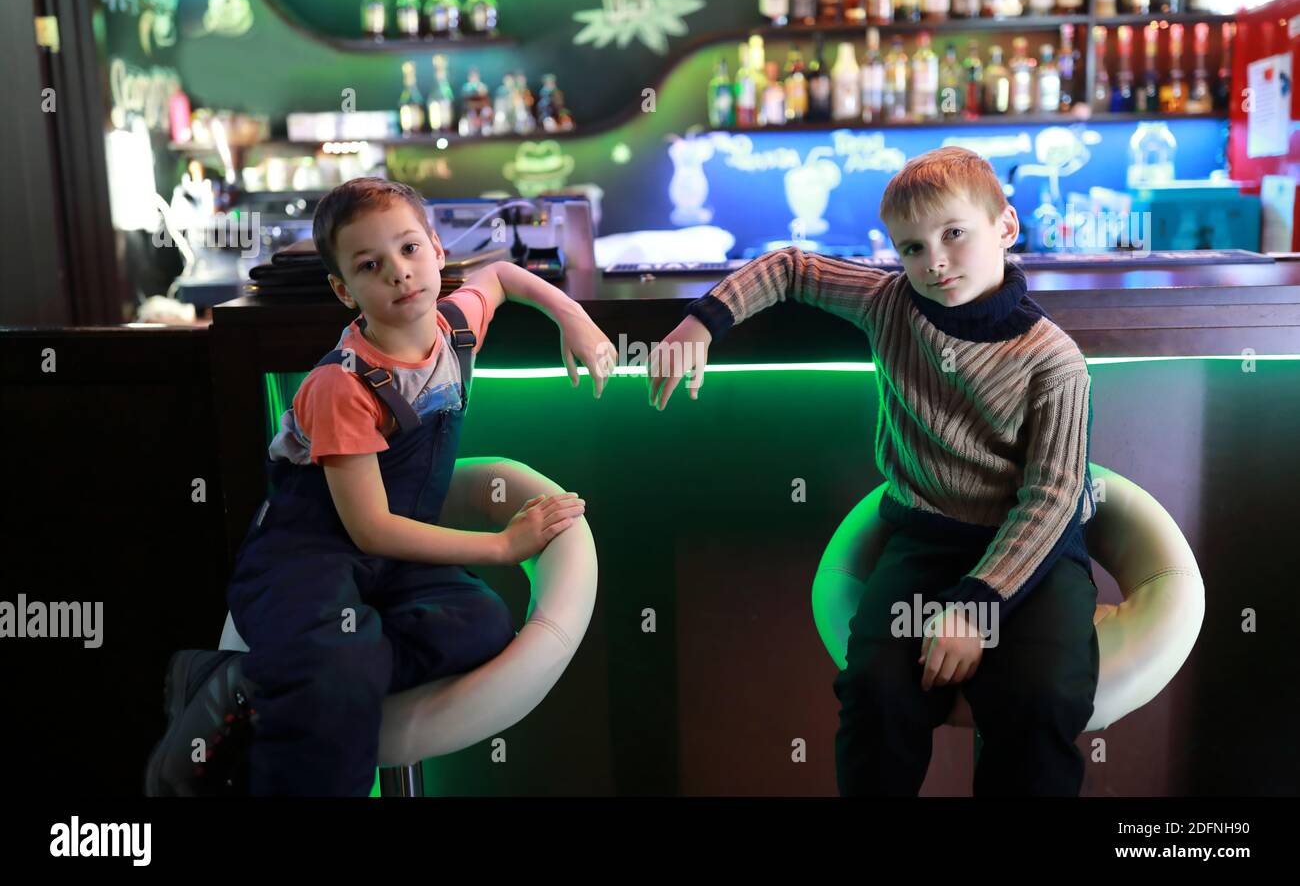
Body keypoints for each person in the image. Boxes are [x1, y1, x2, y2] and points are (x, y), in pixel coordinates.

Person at [648, 146, 1100, 796]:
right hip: (927, 538)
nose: (935, 262)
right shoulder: (889, 301)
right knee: (876, 691)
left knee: (1040, 699)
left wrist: (974, 609)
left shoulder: (1054, 360)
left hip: (1035, 552)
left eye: (954, 234)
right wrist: (703, 320)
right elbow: (792, 268)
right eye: (912, 248)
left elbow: (1053, 499)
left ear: (1004, 226)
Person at [146, 178, 611, 796]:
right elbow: (369, 527)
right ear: (344, 290)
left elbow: (499, 276)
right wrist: (502, 547)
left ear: (439, 253)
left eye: (411, 249)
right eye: (371, 265)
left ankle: (270, 679)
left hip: (390, 558)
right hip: (307, 557)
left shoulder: (455, 328)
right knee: (338, 671)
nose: (399, 273)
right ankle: (266, 688)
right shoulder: (341, 386)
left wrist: (573, 315)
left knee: (479, 626)